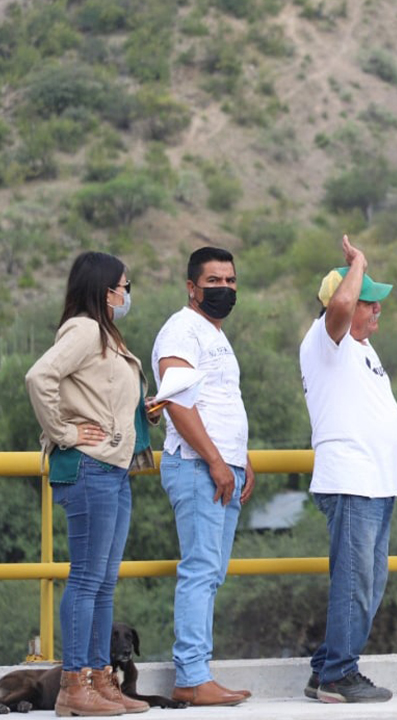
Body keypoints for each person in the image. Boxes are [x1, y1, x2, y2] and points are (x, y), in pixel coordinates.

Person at [25, 252, 153, 716]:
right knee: (86, 580)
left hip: (113, 469)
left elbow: (100, 395)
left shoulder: (108, 335)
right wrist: (64, 432)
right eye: (124, 283)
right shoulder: (85, 329)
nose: (127, 292)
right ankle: (74, 686)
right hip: (90, 466)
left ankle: (100, 680)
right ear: (105, 290)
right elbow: (39, 377)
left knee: (102, 583)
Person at [299, 236, 397, 703]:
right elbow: (342, 301)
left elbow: (362, 404)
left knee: (369, 582)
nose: (376, 311)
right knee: (355, 582)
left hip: (376, 480)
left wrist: (391, 438)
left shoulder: (362, 350)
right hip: (351, 480)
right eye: (370, 303)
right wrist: (358, 262)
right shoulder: (329, 337)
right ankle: (338, 676)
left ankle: (326, 667)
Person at [152, 246, 254, 707]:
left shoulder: (214, 333)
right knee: (199, 571)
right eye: (214, 282)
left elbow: (217, 402)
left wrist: (238, 458)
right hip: (197, 466)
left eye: (231, 281)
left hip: (219, 465)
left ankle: (199, 673)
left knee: (211, 573)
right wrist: (215, 460)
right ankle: (192, 676)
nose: (225, 289)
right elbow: (175, 401)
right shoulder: (181, 329)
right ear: (192, 287)